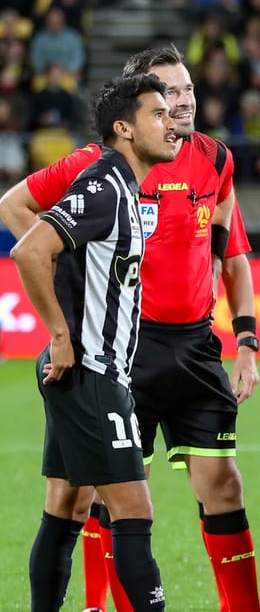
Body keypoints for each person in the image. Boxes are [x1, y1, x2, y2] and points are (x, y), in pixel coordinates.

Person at [0, 45, 260, 612]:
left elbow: (229, 247)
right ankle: (99, 604)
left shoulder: (213, 160)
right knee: (107, 501)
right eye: (165, 98)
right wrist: (67, 321)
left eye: (187, 91)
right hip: (115, 353)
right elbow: (23, 225)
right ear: (132, 117)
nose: (181, 104)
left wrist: (245, 339)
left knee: (96, 501)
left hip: (190, 346)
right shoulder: (100, 177)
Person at [13, 73, 175, 611]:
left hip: (85, 374)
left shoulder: (126, 190)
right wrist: (62, 335)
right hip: (92, 374)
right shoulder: (104, 185)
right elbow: (30, 251)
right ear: (124, 129)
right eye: (157, 114)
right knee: (134, 510)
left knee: (66, 507)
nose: (170, 122)